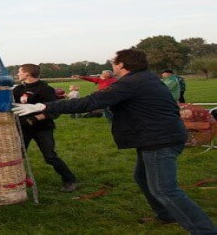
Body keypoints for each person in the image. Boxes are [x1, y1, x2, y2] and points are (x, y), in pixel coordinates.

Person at [13, 49, 215, 234]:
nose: (112, 66)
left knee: (165, 189)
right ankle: (166, 215)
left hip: (160, 140)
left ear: (121, 65)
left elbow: (90, 102)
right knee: (143, 178)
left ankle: (204, 230)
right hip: (159, 137)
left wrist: (43, 106)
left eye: (114, 62)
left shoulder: (132, 83)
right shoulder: (146, 79)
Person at [13, 64, 78, 192]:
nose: (17, 74)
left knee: (50, 156)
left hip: (42, 128)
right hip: (23, 128)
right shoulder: (18, 89)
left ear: (27, 74)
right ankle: (16, 182)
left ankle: (70, 180)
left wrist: (34, 119)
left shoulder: (45, 89)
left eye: (19, 72)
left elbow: (53, 111)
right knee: (17, 156)